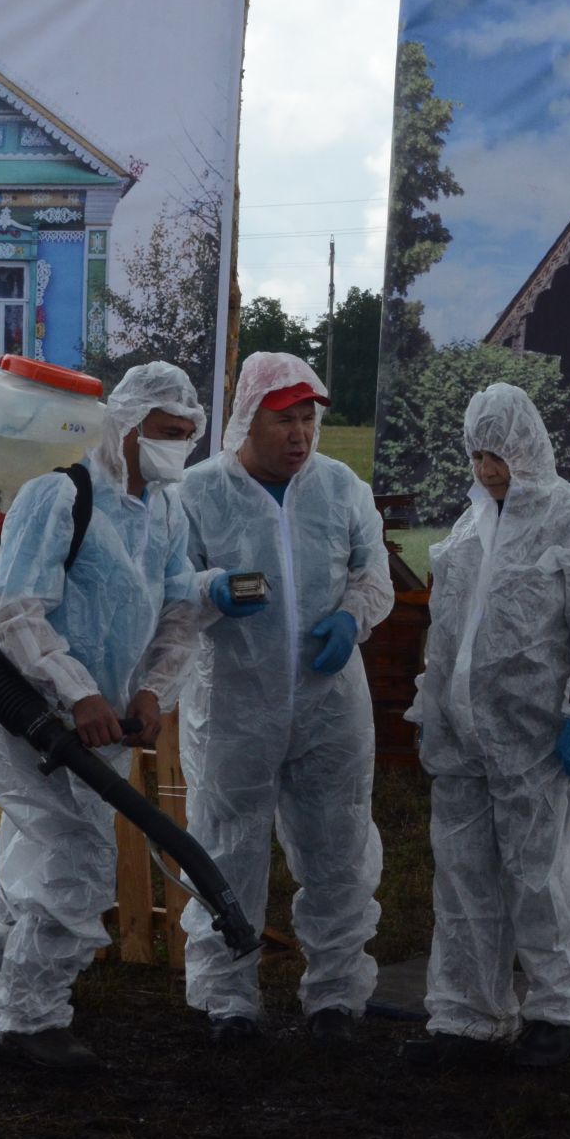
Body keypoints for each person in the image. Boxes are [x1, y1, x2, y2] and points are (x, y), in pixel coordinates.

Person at [0, 360, 247, 1070]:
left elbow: (178, 610)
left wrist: (152, 692)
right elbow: (14, 609)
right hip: (25, 709)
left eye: (186, 434)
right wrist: (76, 690)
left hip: (104, 721)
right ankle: (34, 1018)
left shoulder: (167, 510)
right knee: (75, 856)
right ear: (124, 422)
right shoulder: (61, 494)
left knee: (38, 858)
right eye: (163, 431)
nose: (175, 446)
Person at [401, 383, 570, 1069]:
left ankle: (557, 1009)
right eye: (477, 455)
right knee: (464, 876)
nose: (487, 470)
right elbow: (448, 634)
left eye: (497, 454)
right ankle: (468, 1015)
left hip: (538, 740)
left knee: (542, 872)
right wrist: (431, 702)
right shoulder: (470, 531)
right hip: (465, 738)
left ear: (526, 447)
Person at [176, 352, 394, 1046]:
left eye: (308, 419)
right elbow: (166, 582)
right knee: (225, 845)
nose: (300, 435)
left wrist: (351, 618)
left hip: (330, 704)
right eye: (284, 420)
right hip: (235, 700)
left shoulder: (341, 488)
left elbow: (375, 577)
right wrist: (209, 590)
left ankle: (334, 993)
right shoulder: (199, 491)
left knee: (338, 845)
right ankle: (226, 997)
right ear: (249, 418)